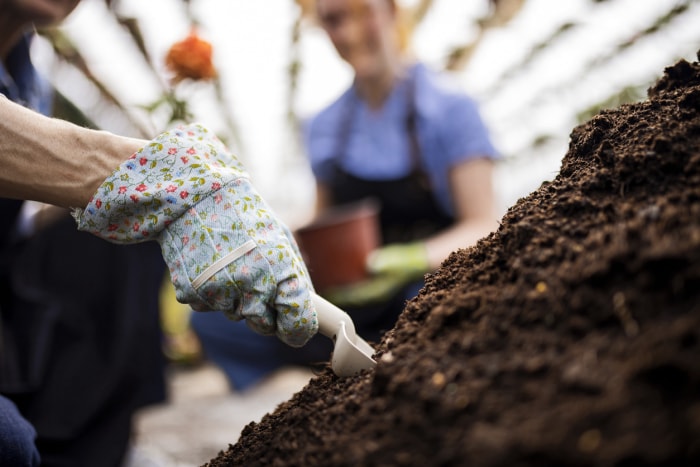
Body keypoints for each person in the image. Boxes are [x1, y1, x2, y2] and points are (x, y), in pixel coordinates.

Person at [0, 6, 317, 465]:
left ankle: (95, 445)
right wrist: (154, 177)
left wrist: (137, 205)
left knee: (125, 234)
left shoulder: (29, 73)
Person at [189, 0, 500, 390]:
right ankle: (333, 384)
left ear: (390, 10)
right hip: (350, 301)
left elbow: (482, 223)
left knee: (437, 299)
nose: (350, 33)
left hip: (420, 285)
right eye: (334, 20)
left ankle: (407, 374)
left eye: (363, 12)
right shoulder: (325, 125)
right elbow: (322, 220)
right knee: (214, 320)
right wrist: (265, 243)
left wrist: (411, 259)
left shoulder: (451, 108)